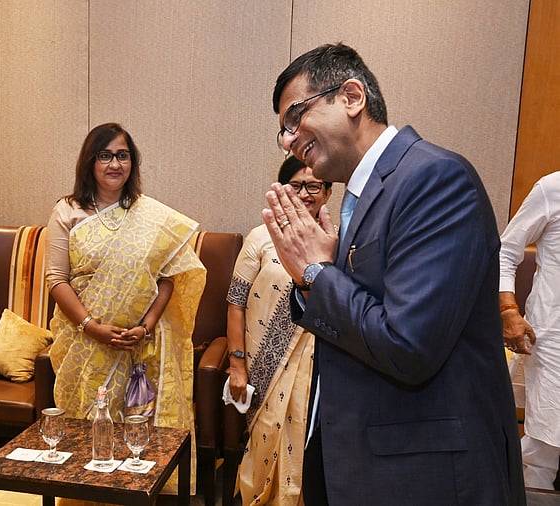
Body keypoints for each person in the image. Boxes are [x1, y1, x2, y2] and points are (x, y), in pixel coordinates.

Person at [261, 43, 525, 505]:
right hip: (361, 459)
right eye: (282, 130)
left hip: (423, 474)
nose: (287, 140)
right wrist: (313, 277)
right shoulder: (359, 198)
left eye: (295, 116)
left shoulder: (434, 179)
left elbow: (407, 346)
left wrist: (317, 273)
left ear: (351, 96)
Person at [45, 122, 206, 493]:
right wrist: (91, 327)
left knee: (137, 433)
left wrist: (147, 325)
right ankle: (85, 497)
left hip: (139, 346)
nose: (114, 163)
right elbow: (56, 280)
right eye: (105, 155)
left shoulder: (151, 215)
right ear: (90, 162)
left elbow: (169, 276)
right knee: (87, 429)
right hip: (84, 343)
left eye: (122, 155)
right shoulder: (67, 212)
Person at [226, 156, 331, 506]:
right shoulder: (261, 237)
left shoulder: (336, 241)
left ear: (328, 192)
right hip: (262, 368)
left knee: (304, 443)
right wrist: (237, 364)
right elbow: (236, 303)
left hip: (316, 369)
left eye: (313, 186)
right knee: (265, 435)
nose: (304, 193)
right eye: (295, 185)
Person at [499, 171, 560, 490]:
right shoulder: (552, 188)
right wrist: (509, 310)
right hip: (554, 339)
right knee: (544, 447)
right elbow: (505, 252)